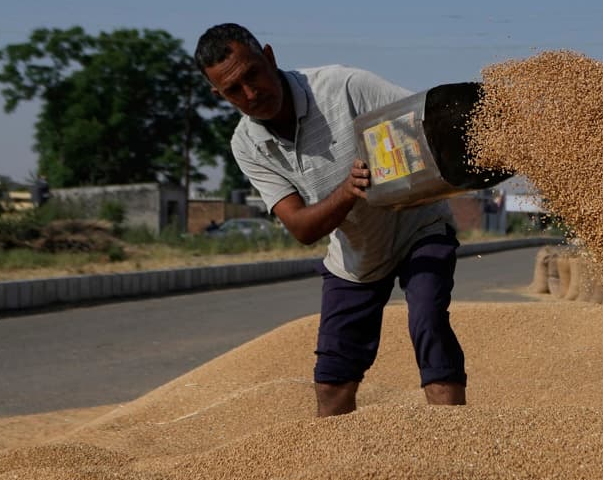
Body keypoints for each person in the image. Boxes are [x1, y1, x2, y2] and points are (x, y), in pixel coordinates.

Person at [193, 23, 467, 417]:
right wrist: (347, 190)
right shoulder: (247, 144)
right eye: (234, 90)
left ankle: (452, 440)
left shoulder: (343, 87)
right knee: (333, 376)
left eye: (253, 74)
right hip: (355, 254)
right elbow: (302, 228)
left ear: (269, 57)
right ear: (218, 94)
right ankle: (332, 471)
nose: (251, 93)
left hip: (418, 227)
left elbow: (426, 123)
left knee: (428, 321)